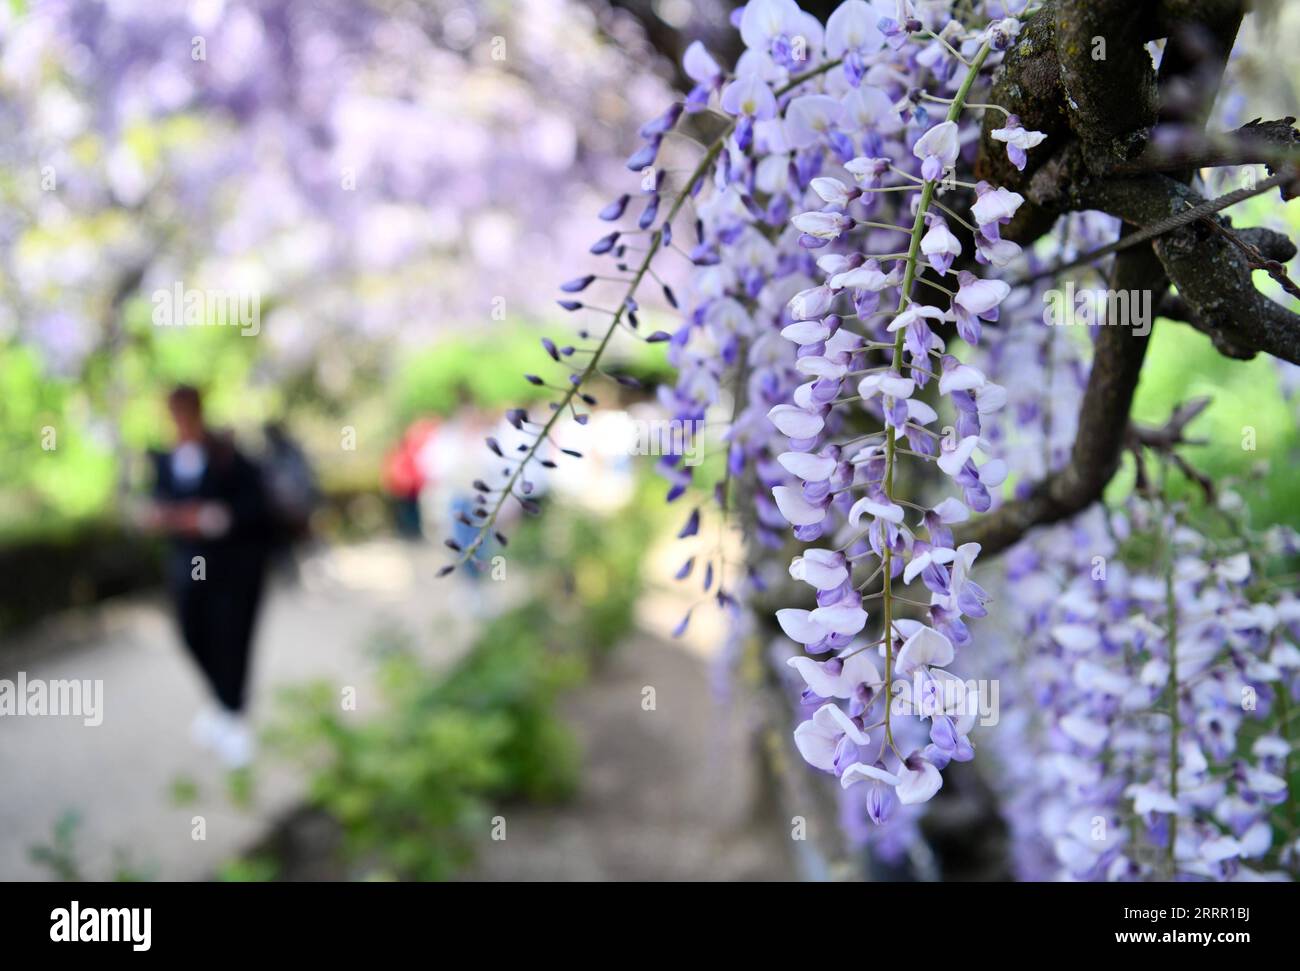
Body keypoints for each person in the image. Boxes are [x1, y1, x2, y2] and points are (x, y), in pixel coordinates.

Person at [142, 385, 270, 768]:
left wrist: (212, 518)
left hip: (234, 569)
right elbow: (159, 503)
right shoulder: (166, 459)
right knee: (191, 634)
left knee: (233, 639)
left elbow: (254, 507)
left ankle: (234, 715)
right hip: (189, 570)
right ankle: (222, 703)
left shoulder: (227, 453)